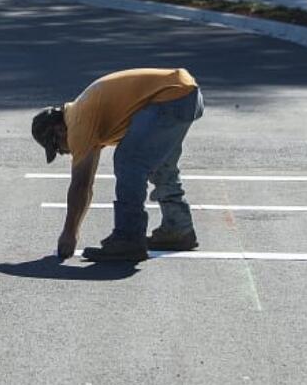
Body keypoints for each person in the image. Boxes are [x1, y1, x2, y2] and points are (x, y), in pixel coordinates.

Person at [31, 68, 204, 262]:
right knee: (162, 166)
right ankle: (178, 229)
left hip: (169, 98)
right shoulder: (84, 114)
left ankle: (128, 238)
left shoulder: (77, 124)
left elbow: (81, 185)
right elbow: (87, 184)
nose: (64, 152)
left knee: (129, 162)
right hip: (186, 93)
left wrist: (69, 233)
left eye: (57, 147)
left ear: (59, 130)